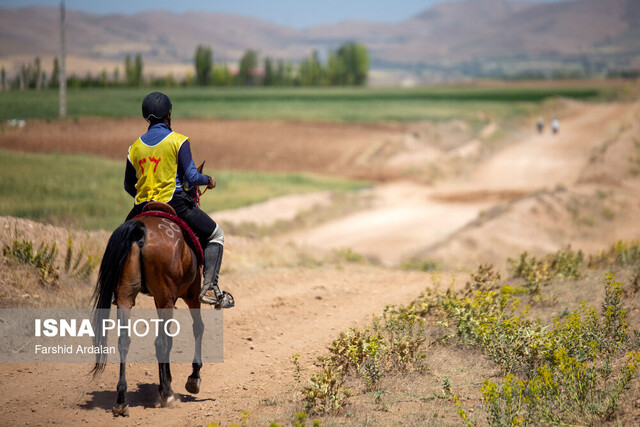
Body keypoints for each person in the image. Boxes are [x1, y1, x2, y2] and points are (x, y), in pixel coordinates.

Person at [123, 92, 233, 308]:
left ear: (147, 117)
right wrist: (208, 180)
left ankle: (115, 286)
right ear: (168, 115)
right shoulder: (178, 141)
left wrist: (145, 197)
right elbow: (191, 177)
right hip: (175, 203)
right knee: (216, 234)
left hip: (141, 207)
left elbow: (129, 185)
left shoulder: (134, 148)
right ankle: (210, 287)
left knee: (118, 242)